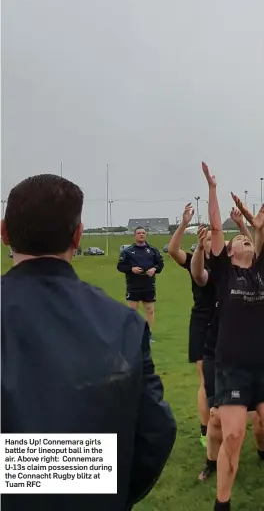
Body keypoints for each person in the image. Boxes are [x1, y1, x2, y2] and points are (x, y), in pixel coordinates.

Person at [1, 174, 176, 511]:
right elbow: (154, 433)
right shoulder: (124, 324)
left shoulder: (127, 323)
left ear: (4, 231)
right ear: (78, 236)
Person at [202, 162, 264, 511]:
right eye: (237, 239)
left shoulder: (260, 270)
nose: (244, 241)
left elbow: (260, 233)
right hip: (233, 368)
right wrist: (212, 188)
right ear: (229, 251)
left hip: (262, 364)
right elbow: (214, 226)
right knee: (234, 433)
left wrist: (253, 225)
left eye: (247, 239)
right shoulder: (224, 274)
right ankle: (222, 504)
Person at [192, 215, 263, 482]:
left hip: (248, 353)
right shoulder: (216, 271)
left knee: (257, 418)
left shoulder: (253, 273)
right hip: (217, 350)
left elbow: (256, 248)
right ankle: (211, 461)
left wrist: (249, 227)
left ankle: (257, 453)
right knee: (216, 417)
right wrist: (200, 248)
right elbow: (197, 273)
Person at [168, 204, 215, 446]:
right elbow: (173, 250)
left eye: (215, 237)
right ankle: (205, 430)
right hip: (202, 323)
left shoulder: (228, 262)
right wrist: (184, 224)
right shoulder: (196, 261)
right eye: (206, 238)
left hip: (226, 322)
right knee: (206, 379)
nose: (211, 241)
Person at [117, 227, 164, 343]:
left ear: (146, 235)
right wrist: (131, 269)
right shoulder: (127, 251)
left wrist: (154, 269)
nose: (141, 235)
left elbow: (160, 264)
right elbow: (120, 266)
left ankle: (148, 334)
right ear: (135, 236)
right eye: (139, 233)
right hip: (133, 285)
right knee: (132, 311)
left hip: (148, 285)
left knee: (150, 310)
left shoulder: (153, 250)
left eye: (143, 233)